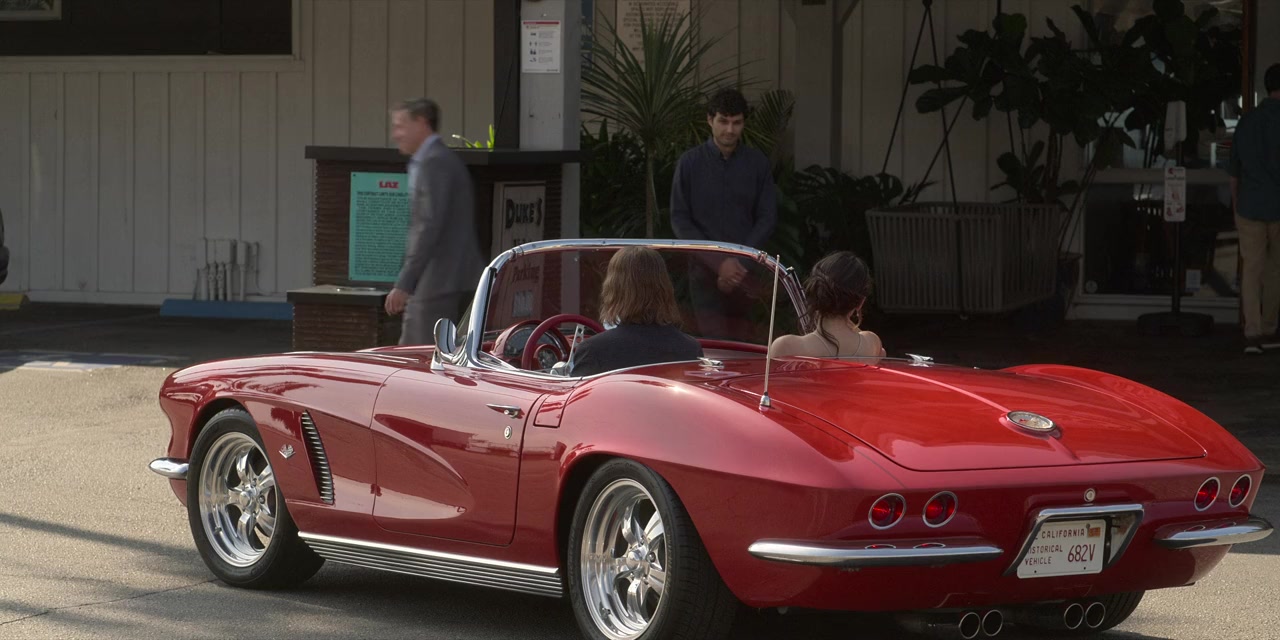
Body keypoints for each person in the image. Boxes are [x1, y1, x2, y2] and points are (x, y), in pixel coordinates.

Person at [670, 88, 778, 339]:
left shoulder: (757, 163)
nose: (730, 129)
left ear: (744, 123)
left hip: (746, 273)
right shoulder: (689, 163)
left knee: (746, 345)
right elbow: (679, 219)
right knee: (712, 346)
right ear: (710, 120)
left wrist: (739, 264)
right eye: (723, 121)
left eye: (736, 122)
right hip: (703, 273)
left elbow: (767, 217)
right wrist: (719, 264)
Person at [384, 98, 486, 346]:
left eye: (400, 126)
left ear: (422, 123)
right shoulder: (433, 159)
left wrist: (405, 282)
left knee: (417, 355)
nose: (395, 134)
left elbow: (428, 226)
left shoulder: (434, 162)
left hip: (438, 281)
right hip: (441, 280)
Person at [568, 247, 704, 377]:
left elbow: (579, 394)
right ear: (665, 289)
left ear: (614, 290)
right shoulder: (690, 348)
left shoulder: (593, 350)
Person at [1228, 64, 1280, 355]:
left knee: (1251, 269)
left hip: (1249, 204)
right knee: (1276, 269)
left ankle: (1252, 331)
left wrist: (1236, 202)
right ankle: (1270, 328)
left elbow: (1234, 170)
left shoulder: (1247, 122)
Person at [770, 251, 885, 359]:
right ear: (860, 302)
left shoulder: (786, 347)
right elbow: (882, 354)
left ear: (815, 291)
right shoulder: (871, 344)